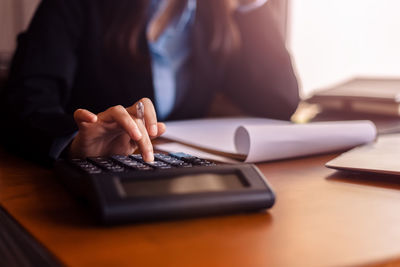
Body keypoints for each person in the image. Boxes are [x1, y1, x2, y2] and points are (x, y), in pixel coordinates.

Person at [1, 0, 299, 165]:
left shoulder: (213, 14)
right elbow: (24, 103)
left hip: (175, 174)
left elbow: (279, 101)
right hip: (86, 180)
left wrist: (251, 6)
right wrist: (74, 142)